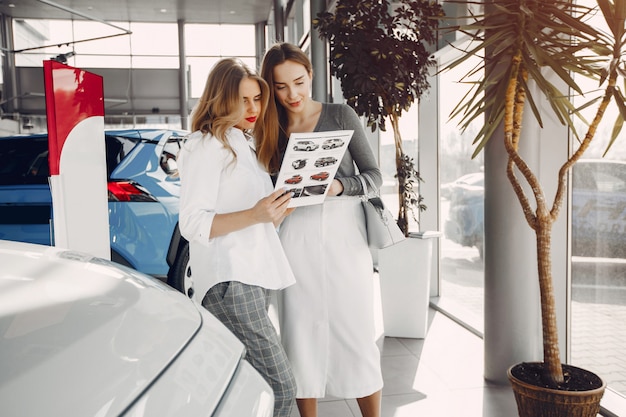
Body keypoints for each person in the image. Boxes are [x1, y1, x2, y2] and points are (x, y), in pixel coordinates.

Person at [257, 42, 384, 417]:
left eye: (298, 81)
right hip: (295, 234)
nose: (292, 94)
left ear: (311, 75)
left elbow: (375, 177)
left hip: (346, 235)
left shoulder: (341, 115)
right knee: (299, 333)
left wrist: (339, 186)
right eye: (281, 86)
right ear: (271, 87)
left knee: (356, 331)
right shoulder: (270, 127)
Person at [177, 57, 297, 417]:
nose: (253, 108)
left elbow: (251, 217)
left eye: (257, 99)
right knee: (281, 387)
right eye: (242, 99)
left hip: (250, 275)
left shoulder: (241, 143)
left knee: (250, 386)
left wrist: (272, 215)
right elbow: (192, 223)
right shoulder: (204, 145)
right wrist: (255, 215)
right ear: (220, 98)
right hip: (231, 281)